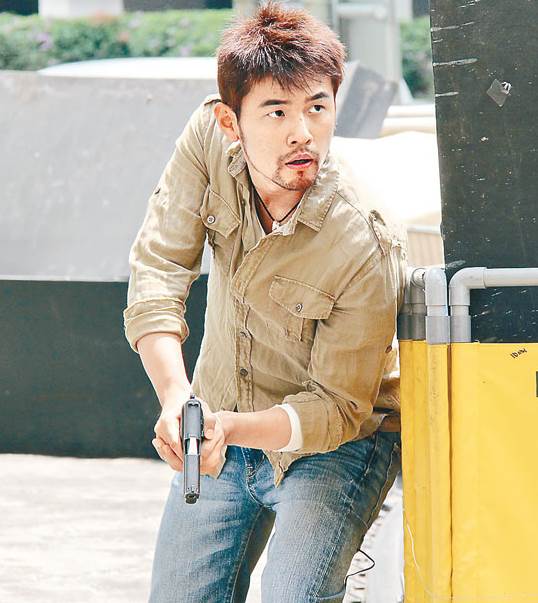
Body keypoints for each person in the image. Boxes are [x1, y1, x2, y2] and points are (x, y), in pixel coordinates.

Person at [123, 2, 408, 601]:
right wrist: (178, 400)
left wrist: (228, 427)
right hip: (220, 415)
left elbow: (337, 409)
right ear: (230, 121)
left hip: (336, 444)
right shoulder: (206, 141)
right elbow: (159, 267)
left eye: (317, 108)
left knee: (293, 594)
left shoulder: (364, 239)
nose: (302, 132)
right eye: (276, 111)